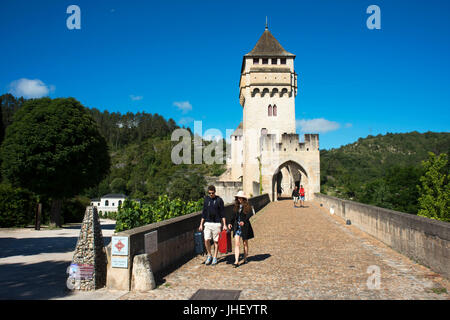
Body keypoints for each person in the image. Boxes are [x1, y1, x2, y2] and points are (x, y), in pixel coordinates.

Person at [198, 185, 227, 266]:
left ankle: (215, 257)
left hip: (217, 223)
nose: (211, 194)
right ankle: (209, 255)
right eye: (209, 193)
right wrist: (201, 224)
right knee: (206, 239)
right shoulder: (206, 200)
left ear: (215, 192)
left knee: (216, 241)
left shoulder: (219, 200)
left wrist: (224, 224)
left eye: (212, 193)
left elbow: (222, 213)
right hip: (207, 223)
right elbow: (204, 213)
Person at [228, 191, 254, 267]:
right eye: (238, 197)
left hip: (245, 227)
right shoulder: (236, 206)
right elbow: (233, 216)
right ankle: (236, 261)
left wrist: (244, 221)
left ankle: (245, 258)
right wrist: (230, 223)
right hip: (237, 227)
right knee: (236, 243)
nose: (239, 199)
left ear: (243, 198)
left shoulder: (247, 206)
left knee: (245, 243)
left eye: (241, 198)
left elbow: (249, 214)